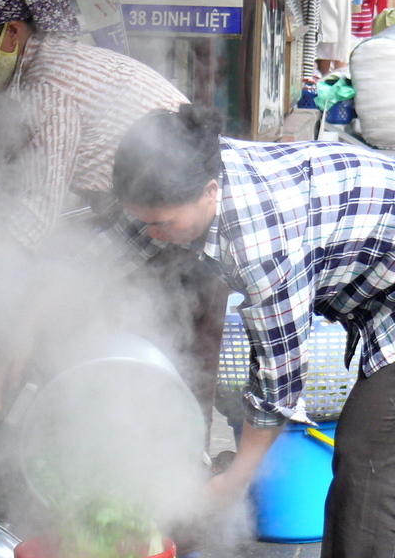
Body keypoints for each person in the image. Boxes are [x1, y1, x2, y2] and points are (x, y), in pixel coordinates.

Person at [0, 0, 230, 427]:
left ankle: (172, 475)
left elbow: (38, 207)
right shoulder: (22, 76)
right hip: (139, 220)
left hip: (181, 222)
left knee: (160, 367)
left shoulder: (49, 83)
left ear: (11, 34)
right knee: (106, 337)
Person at [110, 103, 395, 558]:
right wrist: (31, 325)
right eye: (146, 221)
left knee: (369, 459)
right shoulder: (191, 166)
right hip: (379, 280)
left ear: (209, 192)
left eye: (163, 223)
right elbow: (112, 245)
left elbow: (280, 381)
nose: (155, 234)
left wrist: (232, 482)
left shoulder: (260, 243)